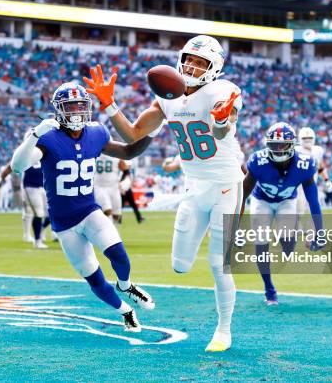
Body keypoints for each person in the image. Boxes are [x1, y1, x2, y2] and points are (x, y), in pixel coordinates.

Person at [84, 35, 243, 351]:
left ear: (214, 68)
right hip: (194, 187)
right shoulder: (169, 97)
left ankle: (223, 331)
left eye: (201, 63)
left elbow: (223, 128)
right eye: (189, 59)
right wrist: (109, 105)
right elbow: (133, 134)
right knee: (180, 265)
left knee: (217, 262)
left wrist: (222, 119)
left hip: (226, 185)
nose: (192, 66)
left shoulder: (223, 92)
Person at [11, 81, 158, 332]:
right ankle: (125, 311)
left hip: (89, 211)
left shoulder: (96, 132)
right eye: (70, 107)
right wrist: (34, 136)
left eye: (81, 106)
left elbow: (128, 152)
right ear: (59, 110)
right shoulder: (47, 137)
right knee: (93, 277)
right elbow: (18, 166)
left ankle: (125, 285)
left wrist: (154, 130)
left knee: (118, 254)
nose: (77, 112)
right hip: (63, 223)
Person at [242, 122, 324, 305]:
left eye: (283, 145)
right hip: (261, 201)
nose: (279, 150)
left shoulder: (305, 163)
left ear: (292, 144)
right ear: (267, 144)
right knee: (261, 243)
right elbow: (242, 196)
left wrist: (320, 232)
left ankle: (296, 235)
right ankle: (269, 289)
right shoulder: (258, 161)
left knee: (287, 246)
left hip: (287, 201)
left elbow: (313, 202)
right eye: (274, 145)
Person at [295, 127, 332, 216]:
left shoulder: (317, 150)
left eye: (310, 138)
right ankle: (296, 227)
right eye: (305, 138)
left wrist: (327, 180)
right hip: (297, 184)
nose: (307, 140)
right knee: (299, 207)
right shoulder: (295, 150)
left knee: (315, 206)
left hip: (312, 183)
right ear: (300, 139)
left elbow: (320, 167)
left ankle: (314, 228)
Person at [95, 153, 126, 222]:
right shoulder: (95, 154)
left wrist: (121, 182)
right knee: (107, 211)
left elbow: (126, 170)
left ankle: (113, 229)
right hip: (100, 187)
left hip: (113, 187)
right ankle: (108, 230)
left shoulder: (116, 156)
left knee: (117, 215)